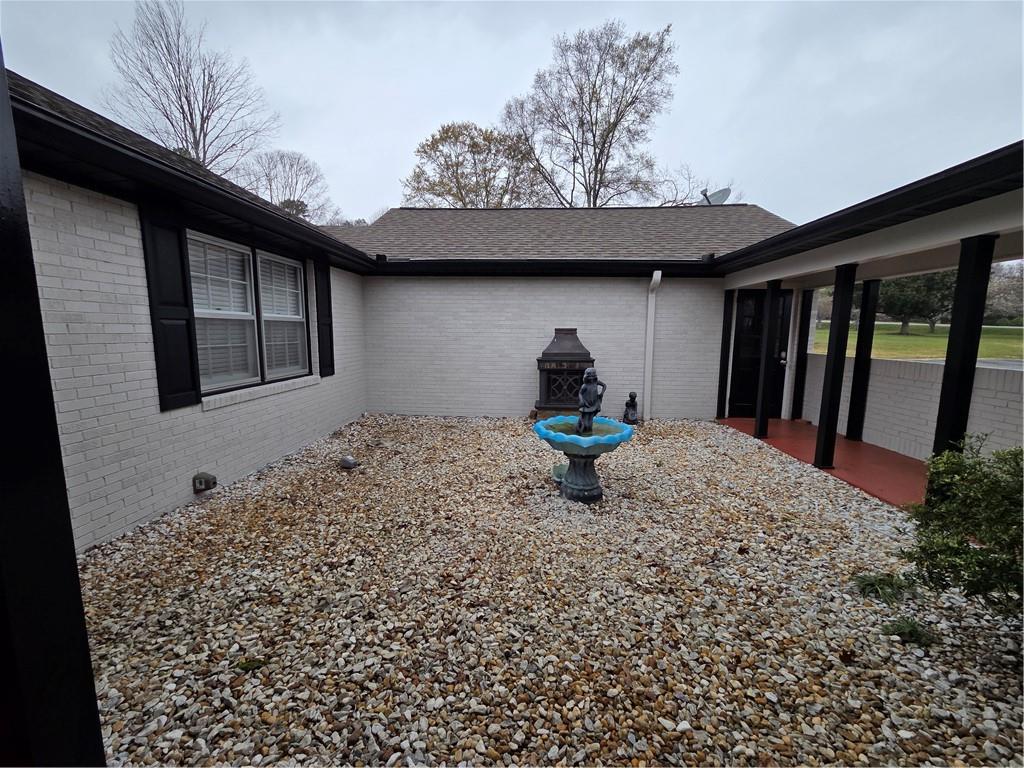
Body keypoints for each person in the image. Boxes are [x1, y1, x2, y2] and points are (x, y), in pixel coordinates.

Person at [576, 367, 606, 434]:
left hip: (594, 403)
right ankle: (582, 428)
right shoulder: (585, 386)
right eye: (590, 378)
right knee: (584, 418)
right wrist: (582, 401)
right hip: (586, 404)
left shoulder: (596, 382)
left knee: (591, 418)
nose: (591, 379)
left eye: (593, 377)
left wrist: (601, 393)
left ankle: (589, 430)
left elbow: (604, 385)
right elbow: (580, 393)